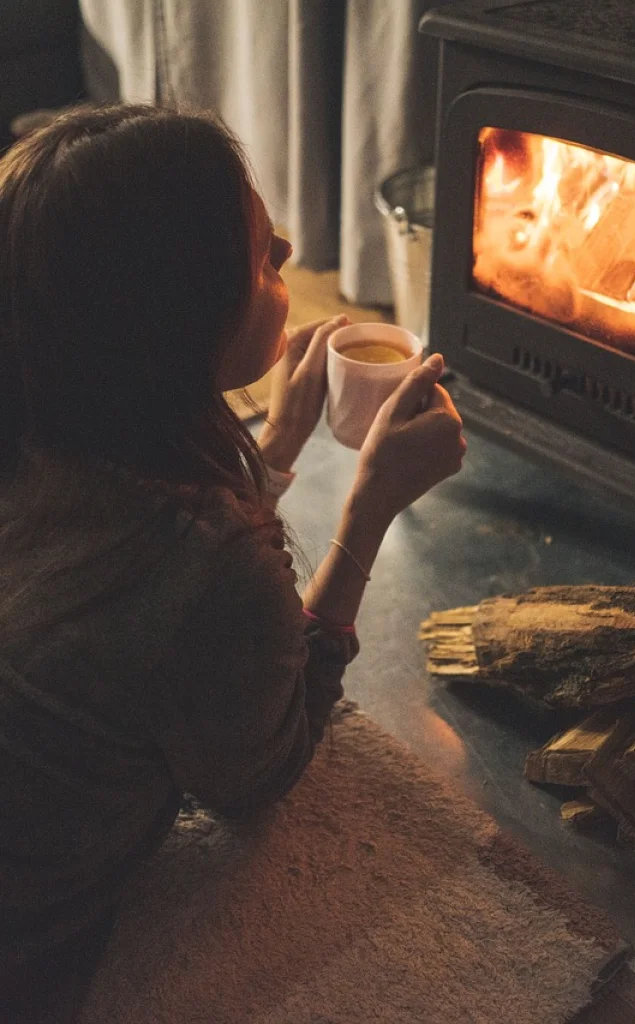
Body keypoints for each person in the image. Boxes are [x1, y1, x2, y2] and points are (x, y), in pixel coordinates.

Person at [0, 104, 466, 1022]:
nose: (288, 248)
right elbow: (258, 776)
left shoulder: (46, 421)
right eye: (257, 258)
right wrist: (367, 511)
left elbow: (149, 589)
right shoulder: (211, 574)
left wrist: (275, 447)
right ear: (172, 325)